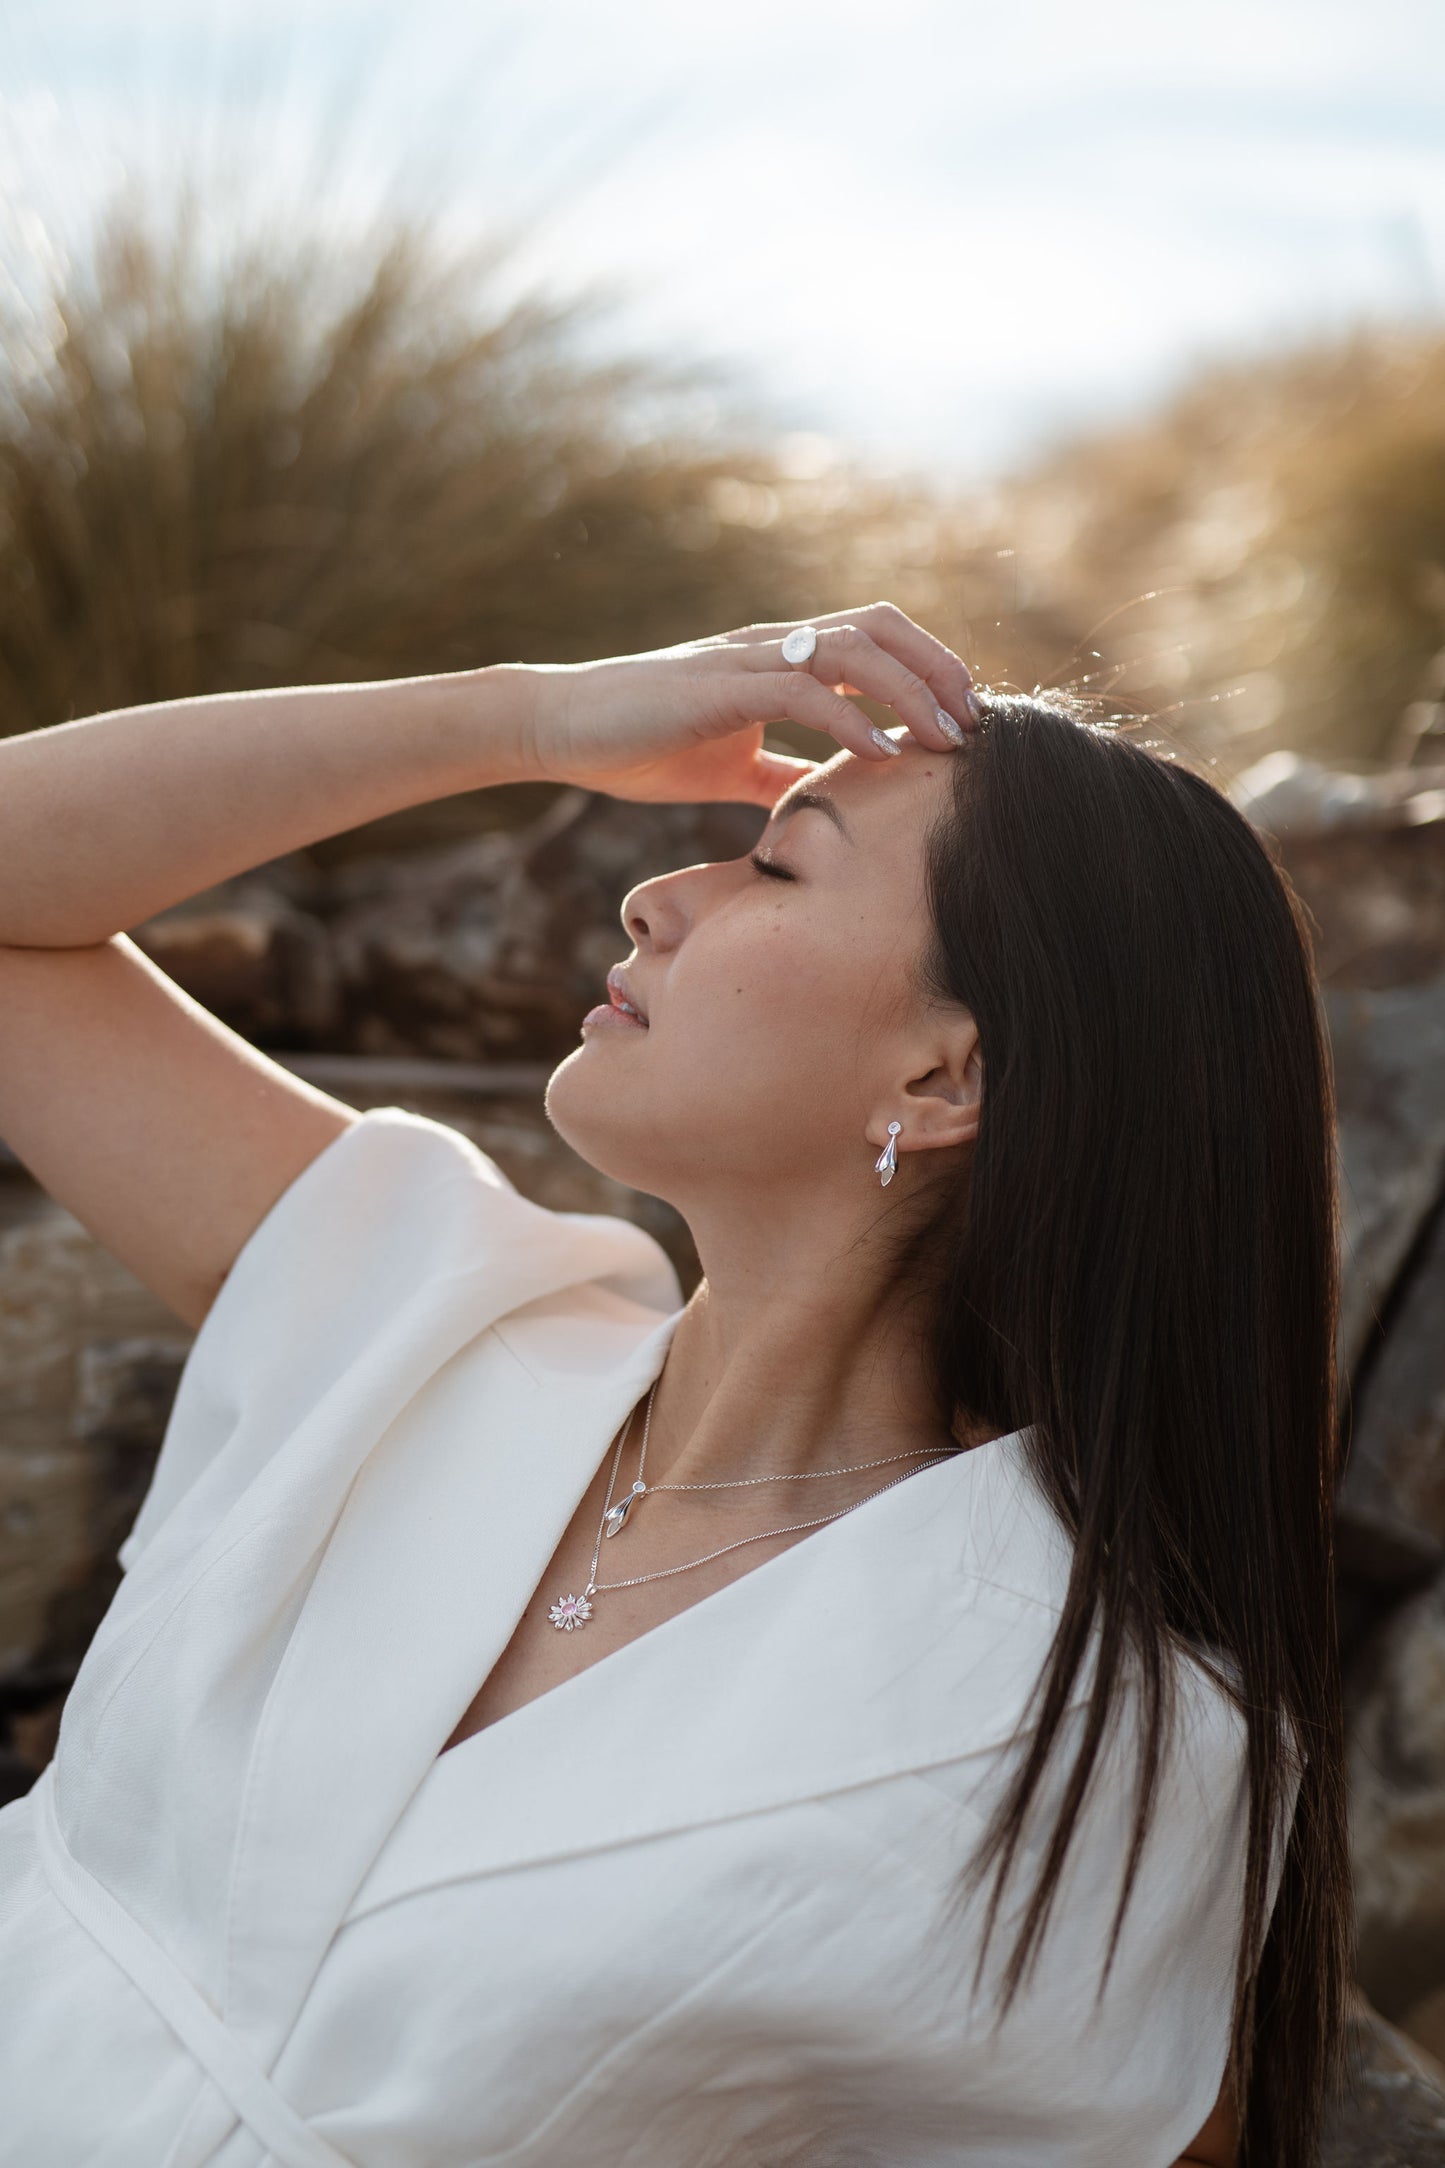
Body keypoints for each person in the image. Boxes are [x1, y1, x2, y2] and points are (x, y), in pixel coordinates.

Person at [0, 601, 1348, 2166]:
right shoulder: (434, 1314)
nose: (654, 894)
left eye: (774, 865)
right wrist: (524, 714)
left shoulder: (1084, 1728)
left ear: (944, 1075)